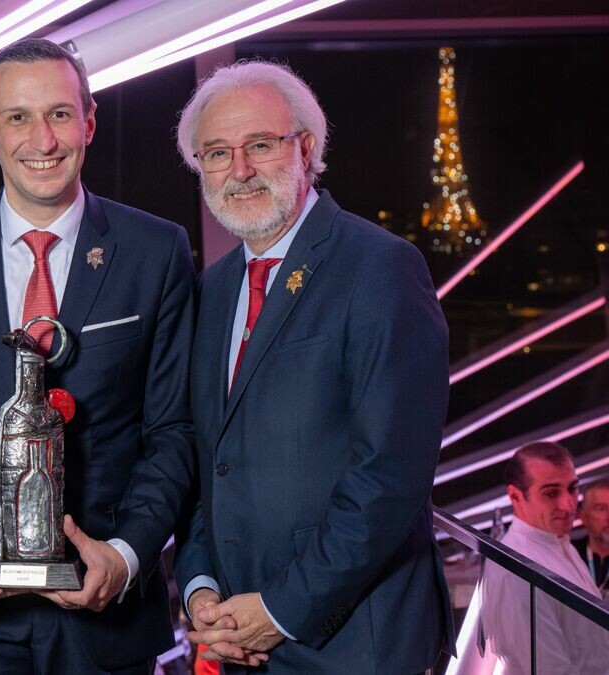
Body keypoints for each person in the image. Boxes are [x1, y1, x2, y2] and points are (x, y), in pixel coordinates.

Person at [0, 38, 196, 674]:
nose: (42, 140)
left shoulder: (157, 251)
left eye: (59, 114)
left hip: (105, 617)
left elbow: (174, 431)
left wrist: (127, 555)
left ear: (89, 122)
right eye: (18, 117)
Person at [172, 60, 453, 673]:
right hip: (239, 636)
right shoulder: (211, 290)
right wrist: (200, 589)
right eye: (217, 153)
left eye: (260, 145)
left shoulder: (380, 267)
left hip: (356, 643)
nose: (239, 170)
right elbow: (207, 463)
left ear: (304, 149)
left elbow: (388, 477)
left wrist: (280, 610)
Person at [479, 442, 609, 674]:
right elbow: (550, 670)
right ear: (515, 496)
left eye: (572, 488)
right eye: (551, 493)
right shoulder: (518, 569)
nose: (568, 505)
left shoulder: (559, 542)